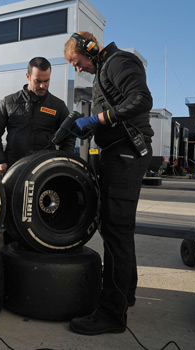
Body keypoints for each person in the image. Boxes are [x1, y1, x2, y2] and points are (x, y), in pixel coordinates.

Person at [63, 32, 154, 335]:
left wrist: (99, 120)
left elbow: (142, 99)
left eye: (77, 62)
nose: (78, 69)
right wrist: (92, 128)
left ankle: (112, 315)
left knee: (116, 231)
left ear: (90, 49)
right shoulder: (102, 71)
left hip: (126, 154)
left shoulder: (118, 62)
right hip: (117, 153)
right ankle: (125, 294)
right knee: (118, 229)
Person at [0, 56, 76, 175]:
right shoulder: (9, 102)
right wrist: (0, 160)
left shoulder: (57, 106)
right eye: (38, 81)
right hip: (14, 168)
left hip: (45, 169)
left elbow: (69, 137)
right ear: (28, 76)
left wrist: (62, 163)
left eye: (46, 81)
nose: (42, 86)